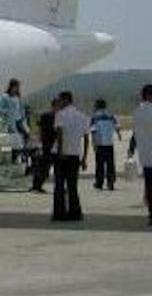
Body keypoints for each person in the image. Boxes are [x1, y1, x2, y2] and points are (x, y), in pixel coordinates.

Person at [52, 91, 89, 222]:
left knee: (59, 185)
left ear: (65, 100)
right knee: (73, 186)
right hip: (75, 154)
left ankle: (59, 213)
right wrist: (84, 157)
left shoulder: (60, 115)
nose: (59, 103)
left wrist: (61, 152)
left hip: (62, 154)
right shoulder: (82, 116)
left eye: (60, 100)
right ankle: (75, 212)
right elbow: (86, 137)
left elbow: (60, 134)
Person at [127, 84, 152, 226]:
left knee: (149, 186)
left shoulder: (137, 112)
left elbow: (135, 133)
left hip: (147, 157)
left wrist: (131, 149)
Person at [90, 98, 121, 191]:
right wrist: (119, 135)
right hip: (109, 144)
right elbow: (117, 126)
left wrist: (94, 143)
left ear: (97, 106)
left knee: (99, 164)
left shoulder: (94, 117)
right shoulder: (111, 115)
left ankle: (99, 183)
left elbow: (93, 131)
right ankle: (110, 182)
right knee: (110, 164)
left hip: (99, 144)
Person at [30, 98, 60, 193]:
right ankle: (36, 186)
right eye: (58, 105)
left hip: (58, 146)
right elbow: (41, 130)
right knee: (43, 167)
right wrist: (40, 143)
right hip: (47, 145)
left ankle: (59, 187)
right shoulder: (46, 116)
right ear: (54, 106)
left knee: (57, 169)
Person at [0, 79, 30, 163]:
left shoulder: (17, 97)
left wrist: (23, 115)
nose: (17, 89)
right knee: (15, 140)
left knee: (25, 136)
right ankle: (14, 157)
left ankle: (23, 155)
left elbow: (20, 107)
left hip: (19, 120)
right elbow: (0, 109)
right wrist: (7, 112)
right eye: (16, 87)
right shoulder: (5, 97)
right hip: (11, 122)